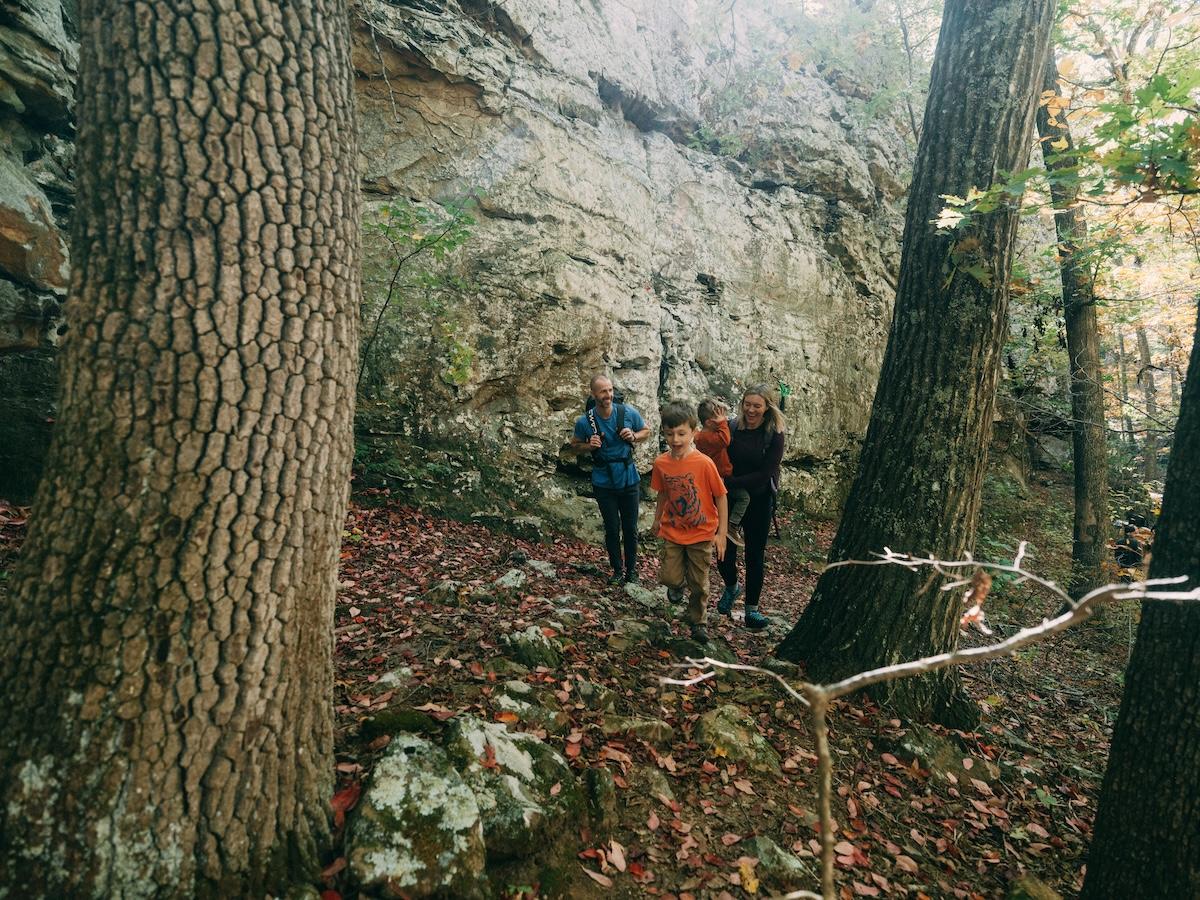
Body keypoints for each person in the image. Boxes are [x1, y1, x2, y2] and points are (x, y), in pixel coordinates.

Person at [651, 402, 728, 643]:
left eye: (681, 433)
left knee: (699, 582)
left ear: (694, 432)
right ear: (663, 432)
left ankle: (698, 622)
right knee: (671, 577)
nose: (675, 439)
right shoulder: (661, 463)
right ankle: (676, 586)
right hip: (673, 531)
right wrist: (656, 520)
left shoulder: (704, 463)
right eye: (669, 433)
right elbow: (663, 493)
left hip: (702, 532)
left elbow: (720, 495)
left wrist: (721, 533)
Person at [570, 374, 652, 584]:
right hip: (603, 480)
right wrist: (589, 446)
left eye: (610, 390)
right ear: (593, 394)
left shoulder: (627, 413)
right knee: (612, 527)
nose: (608, 395)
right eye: (603, 391)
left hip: (628, 478)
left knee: (631, 528)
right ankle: (617, 570)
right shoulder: (585, 421)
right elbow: (574, 446)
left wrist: (633, 435)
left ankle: (631, 571)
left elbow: (646, 431)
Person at [716, 384, 785, 630]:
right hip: (731, 499)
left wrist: (729, 482)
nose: (751, 410)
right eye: (748, 404)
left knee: (754, 554)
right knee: (724, 551)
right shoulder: (733, 428)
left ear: (767, 408)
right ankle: (732, 587)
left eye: (757, 405)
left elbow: (765, 472)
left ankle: (751, 610)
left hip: (759, 499)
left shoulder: (774, 434)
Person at [694, 398, 748, 546]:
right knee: (743, 498)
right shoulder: (708, 437)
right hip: (719, 478)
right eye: (717, 420)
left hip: (720, 476)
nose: (723, 421)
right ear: (709, 423)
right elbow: (725, 440)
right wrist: (723, 422)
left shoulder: (702, 435)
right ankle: (731, 525)